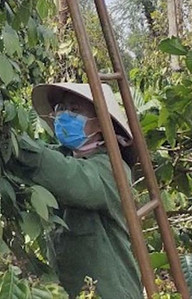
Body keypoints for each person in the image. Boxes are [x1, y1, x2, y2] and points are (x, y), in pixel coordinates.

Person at [19, 81, 144, 299]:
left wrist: (13, 143)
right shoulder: (65, 156)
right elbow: (46, 160)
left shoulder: (112, 168)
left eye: (75, 110)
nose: (65, 115)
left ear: (99, 123)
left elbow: (71, 178)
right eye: (61, 108)